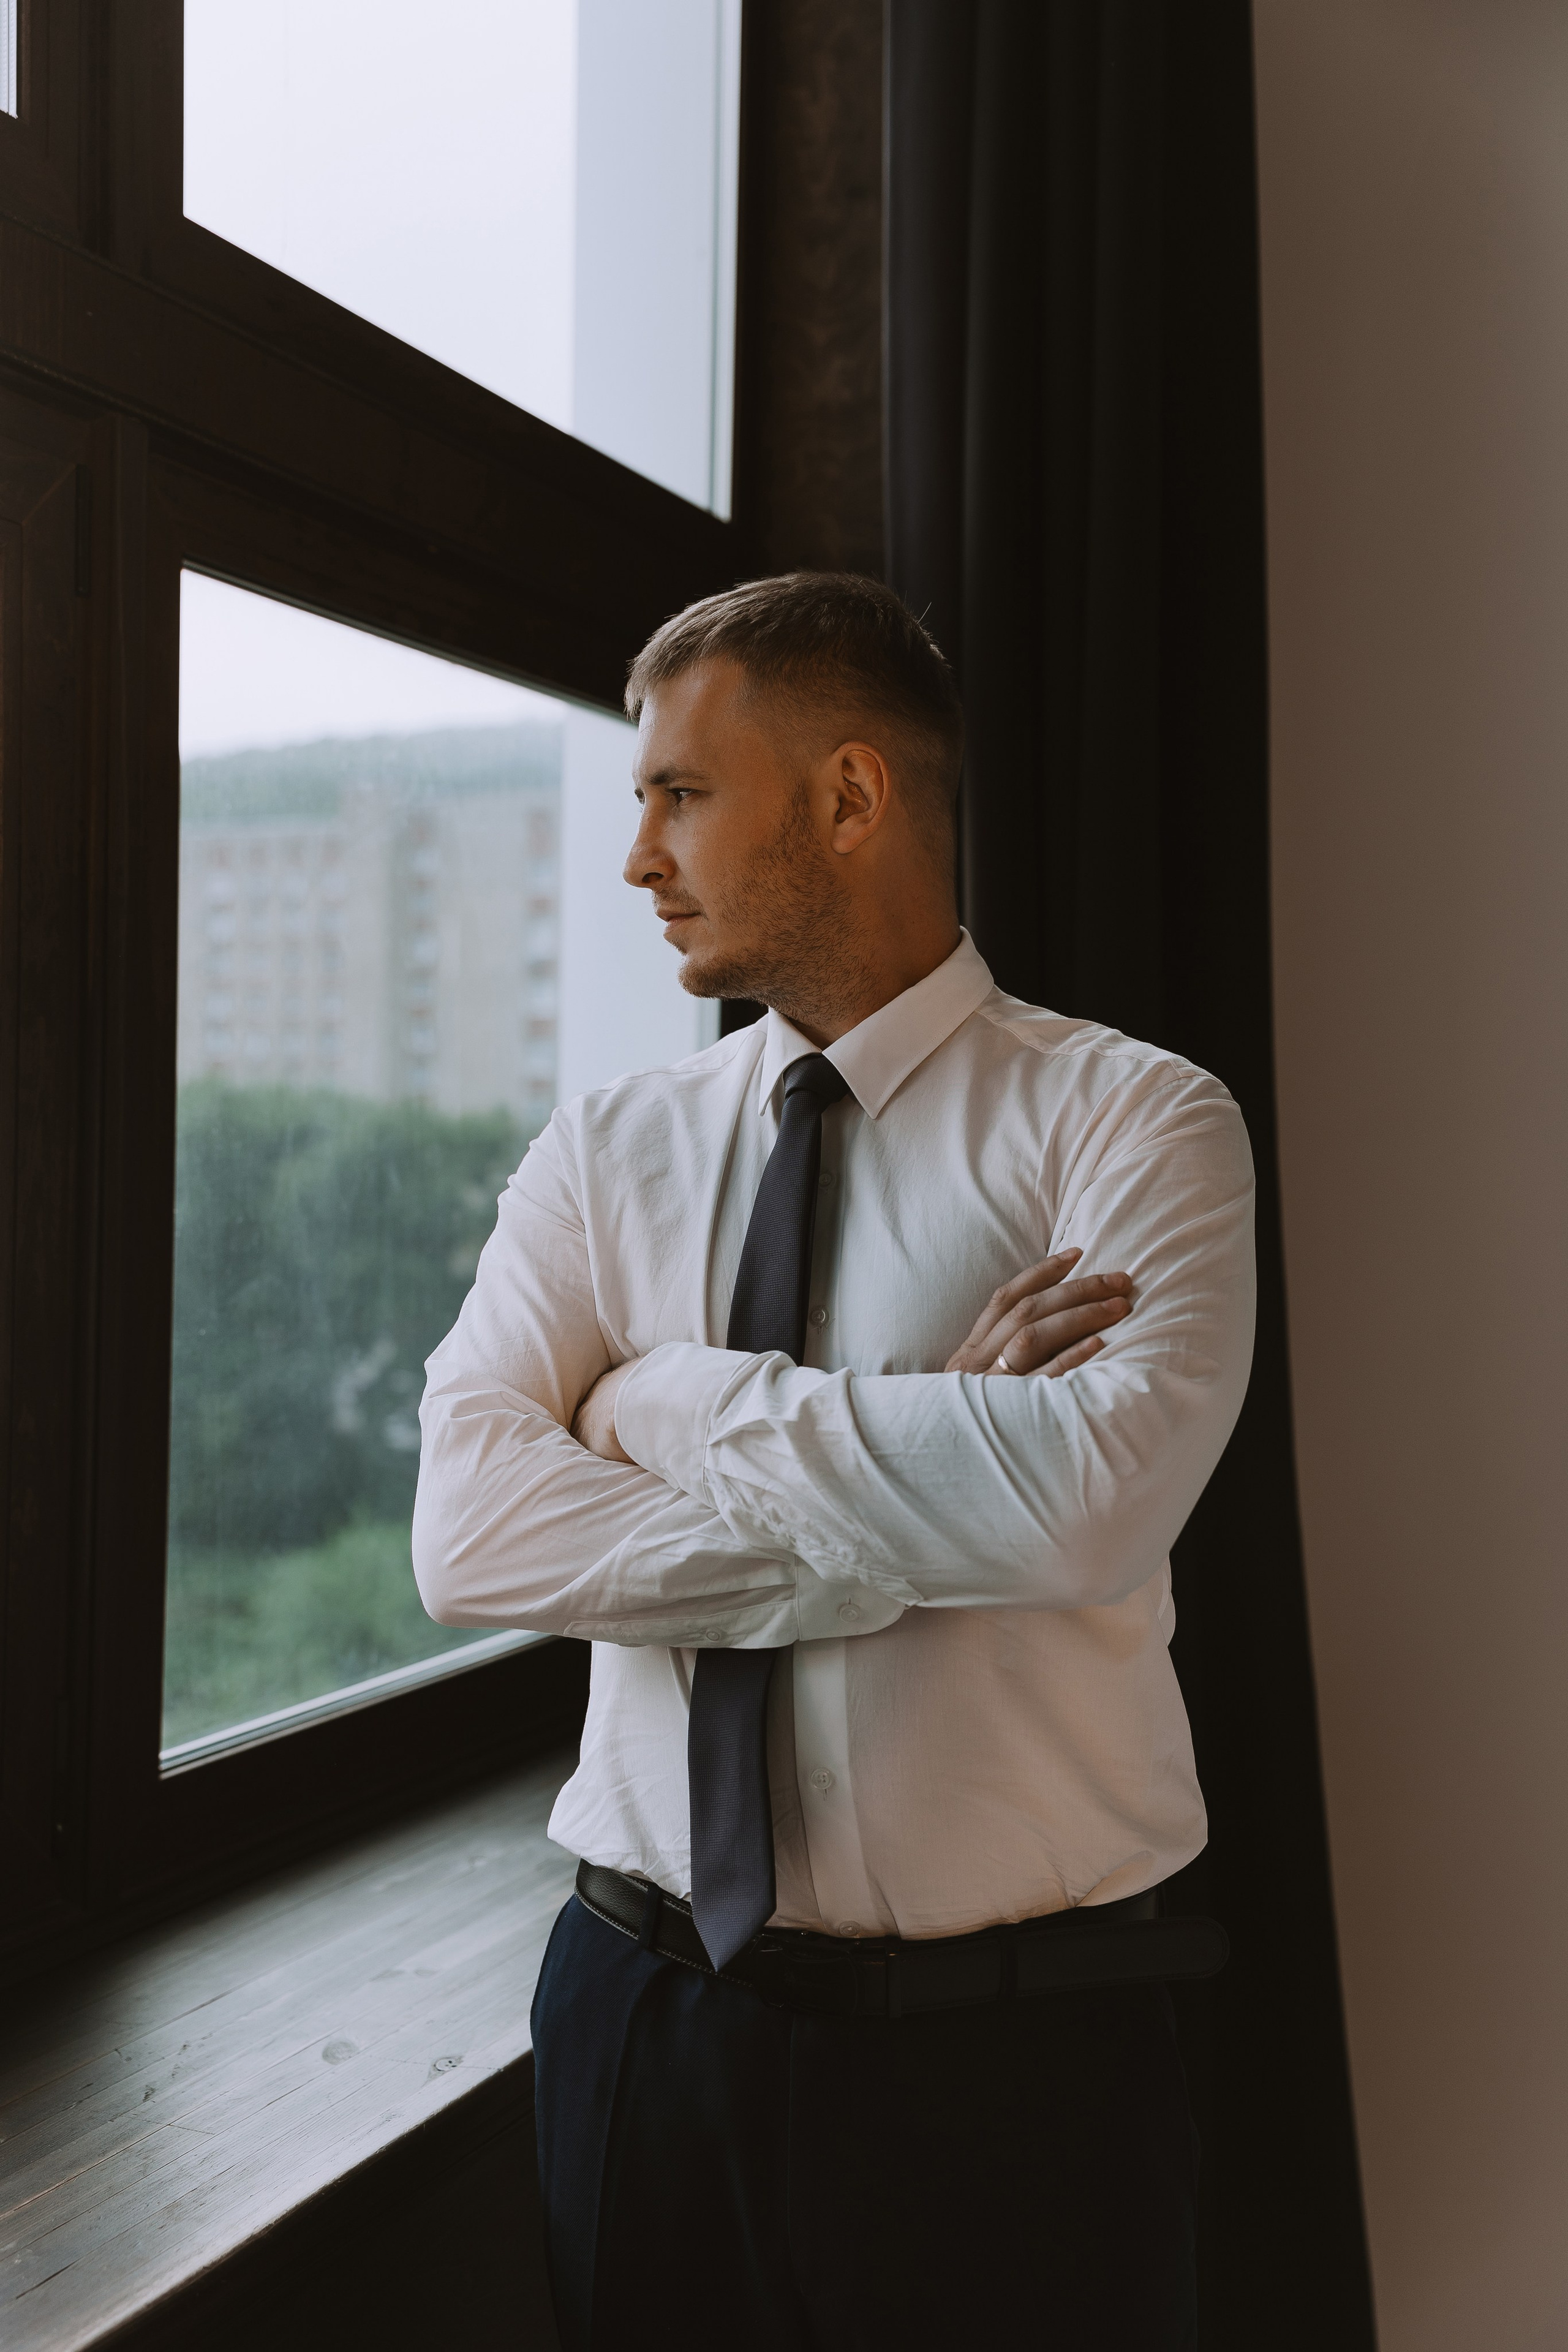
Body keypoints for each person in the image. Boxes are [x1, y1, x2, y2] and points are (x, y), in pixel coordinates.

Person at [412, 573, 1254, 2350]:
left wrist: (657, 1406)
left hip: (1018, 2063)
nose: (637, 854)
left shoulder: (1135, 1121)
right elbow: (470, 1530)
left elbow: (1091, 1505)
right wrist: (921, 1477)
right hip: (640, 2019)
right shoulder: (605, 1149)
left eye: (682, 794)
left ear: (852, 798)